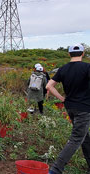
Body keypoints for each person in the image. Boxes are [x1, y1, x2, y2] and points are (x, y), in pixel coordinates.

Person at [46, 45, 90, 174]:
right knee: (76, 138)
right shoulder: (87, 67)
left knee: (84, 137)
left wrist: (61, 98)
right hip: (84, 108)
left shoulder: (63, 69)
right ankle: (55, 170)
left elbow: (49, 86)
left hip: (70, 107)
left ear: (68, 54)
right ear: (83, 53)